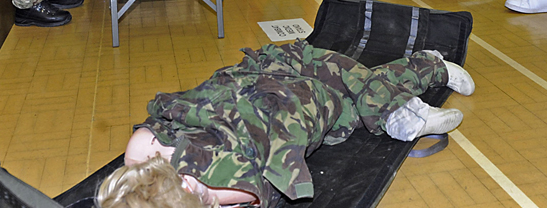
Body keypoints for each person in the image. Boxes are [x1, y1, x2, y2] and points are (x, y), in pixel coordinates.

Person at [95, 40, 475, 208]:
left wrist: (207, 195)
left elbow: (251, 185)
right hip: (269, 79)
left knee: (355, 97)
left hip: (286, 95)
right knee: (351, 86)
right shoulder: (143, 147)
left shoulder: (227, 186)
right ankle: (412, 90)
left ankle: (419, 81)